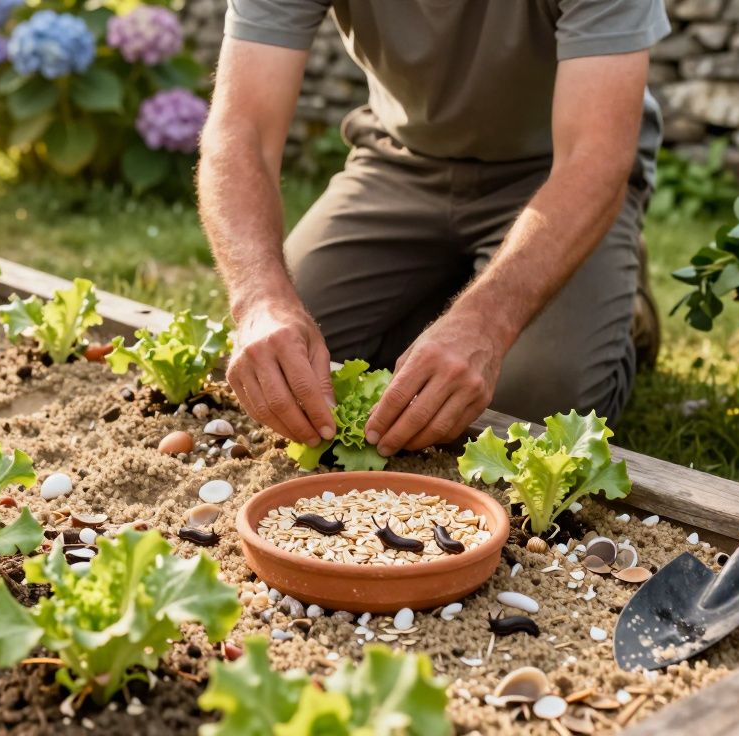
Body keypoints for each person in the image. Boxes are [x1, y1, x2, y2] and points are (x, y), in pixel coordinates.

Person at [197, 1, 670, 458]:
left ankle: (621, 304)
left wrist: (487, 323)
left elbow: (595, 158)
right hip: (399, 162)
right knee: (294, 368)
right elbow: (243, 130)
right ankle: (454, 292)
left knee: (530, 402)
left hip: (554, 174)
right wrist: (260, 299)